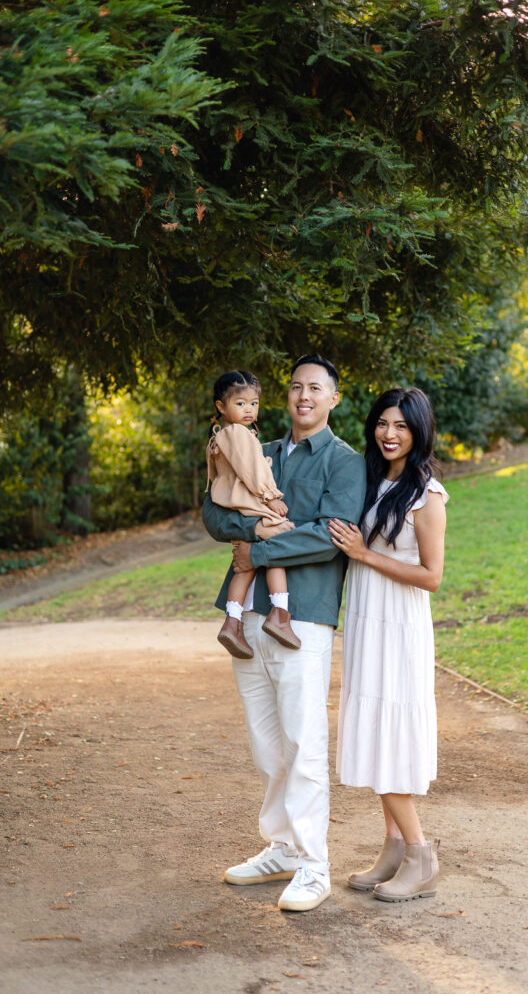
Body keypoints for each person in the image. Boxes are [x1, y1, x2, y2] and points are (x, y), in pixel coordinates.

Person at [202, 354, 366, 912]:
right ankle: (283, 849)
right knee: (267, 745)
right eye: (296, 387)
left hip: (306, 617)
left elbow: (331, 536)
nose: (303, 396)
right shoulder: (258, 448)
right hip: (246, 617)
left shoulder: (346, 463)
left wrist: (259, 547)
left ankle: (315, 866)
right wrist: (256, 528)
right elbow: (213, 512)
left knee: (303, 743)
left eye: (315, 388)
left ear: (333, 398)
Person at [328, 387, 448, 903]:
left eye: (401, 425)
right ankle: (393, 850)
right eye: (383, 423)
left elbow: (432, 576)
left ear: (418, 431)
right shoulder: (372, 481)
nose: (389, 433)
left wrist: (363, 553)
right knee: (377, 731)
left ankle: (421, 856)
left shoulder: (428, 494)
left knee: (392, 736)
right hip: (366, 621)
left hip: (399, 627)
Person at [206, 370, 300, 658]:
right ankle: (280, 614)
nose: (249, 410)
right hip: (253, 502)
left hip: (236, 504)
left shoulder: (219, 437)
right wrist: (271, 497)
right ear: (221, 407)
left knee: (245, 563)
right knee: (278, 545)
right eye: (240, 403)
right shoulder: (238, 434)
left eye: (254, 403)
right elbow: (252, 470)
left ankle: (232, 621)